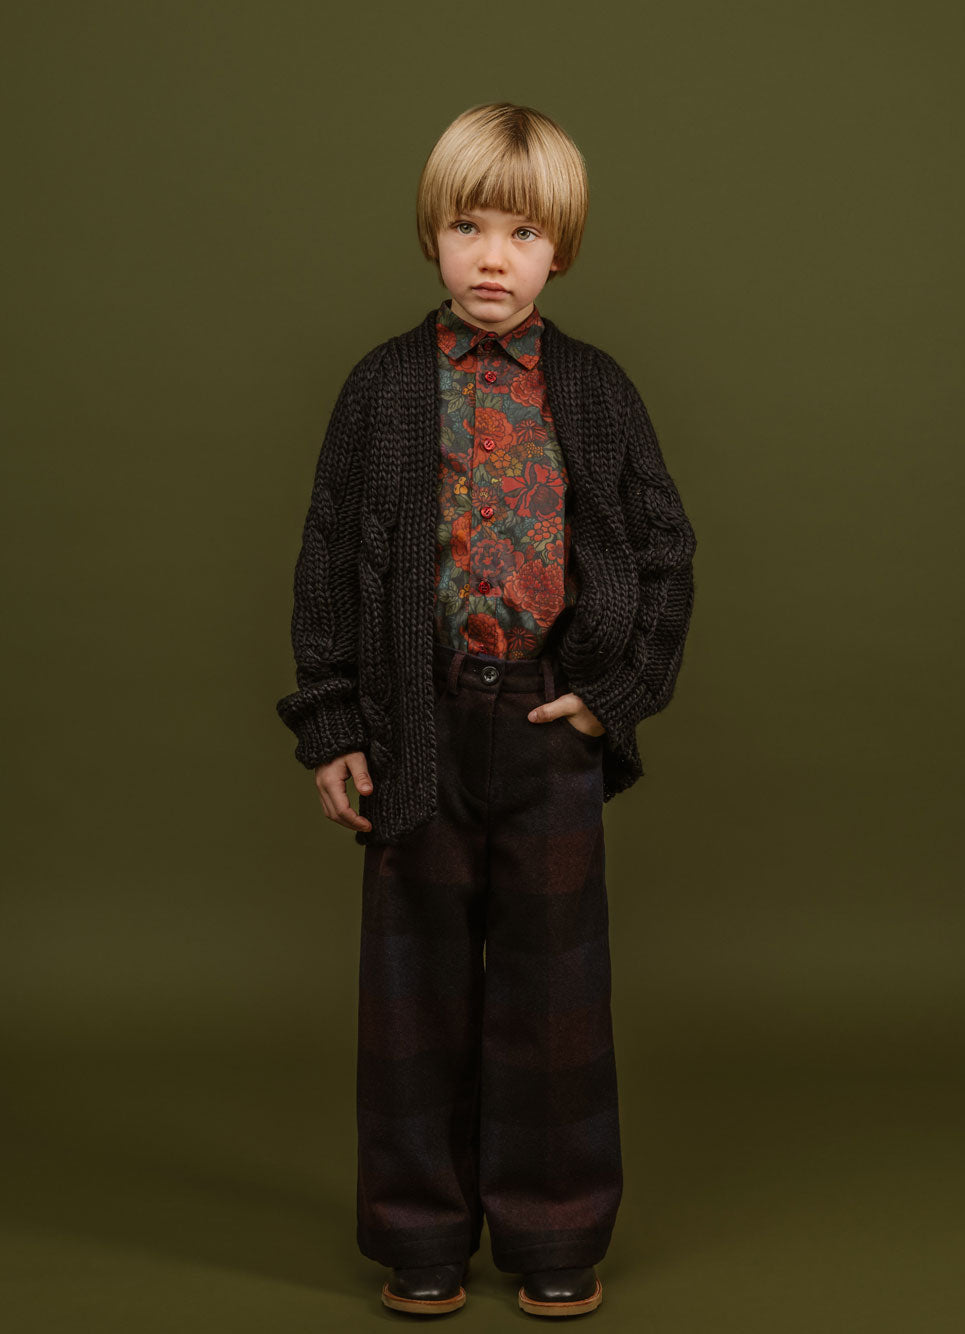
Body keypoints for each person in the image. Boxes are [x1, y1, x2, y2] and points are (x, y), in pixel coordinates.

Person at [276, 102, 697, 1318]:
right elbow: (325, 559)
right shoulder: (382, 387)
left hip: (547, 727)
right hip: (414, 726)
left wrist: (614, 695)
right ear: (432, 235)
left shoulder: (597, 391)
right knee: (414, 999)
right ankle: (420, 1233)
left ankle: (556, 1230)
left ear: (560, 249)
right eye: (468, 227)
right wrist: (332, 725)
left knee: (551, 1002)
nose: (493, 257)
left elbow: (664, 549)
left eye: (522, 232)